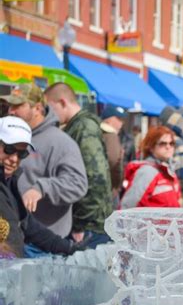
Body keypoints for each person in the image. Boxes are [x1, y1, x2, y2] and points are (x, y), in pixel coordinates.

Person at [1, 83, 88, 238]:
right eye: (10, 105)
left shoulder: (60, 142)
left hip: (42, 242)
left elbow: (78, 184)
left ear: (38, 109)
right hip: (14, 235)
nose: (11, 111)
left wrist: (42, 188)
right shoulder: (8, 132)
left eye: (18, 105)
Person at [0, 116, 87, 257]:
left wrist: (70, 248)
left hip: (12, 270)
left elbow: (28, 226)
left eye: (22, 153)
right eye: (9, 149)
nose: (14, 159)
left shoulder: (9, 181)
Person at [44, 82, 113, 249]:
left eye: (50, 107)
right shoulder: (77, 126)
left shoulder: (83, 127)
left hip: (90, 226)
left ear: (62, 102)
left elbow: (96, 177)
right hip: (89, 223)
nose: (48, 114)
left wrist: (80, 224)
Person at [121, 126, 180, 208]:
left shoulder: (169, 171)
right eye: (163, 143)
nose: (168, 147)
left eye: (171, 143)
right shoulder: (147, 172)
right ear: (151, 147)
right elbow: (128, 206)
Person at [100, 105, 125, 206]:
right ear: (109, 120)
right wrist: (117, 186)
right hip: (109, 190)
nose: (121, 122)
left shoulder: (99, 132)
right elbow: (113, 161)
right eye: (118, 119)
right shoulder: (110, 135)